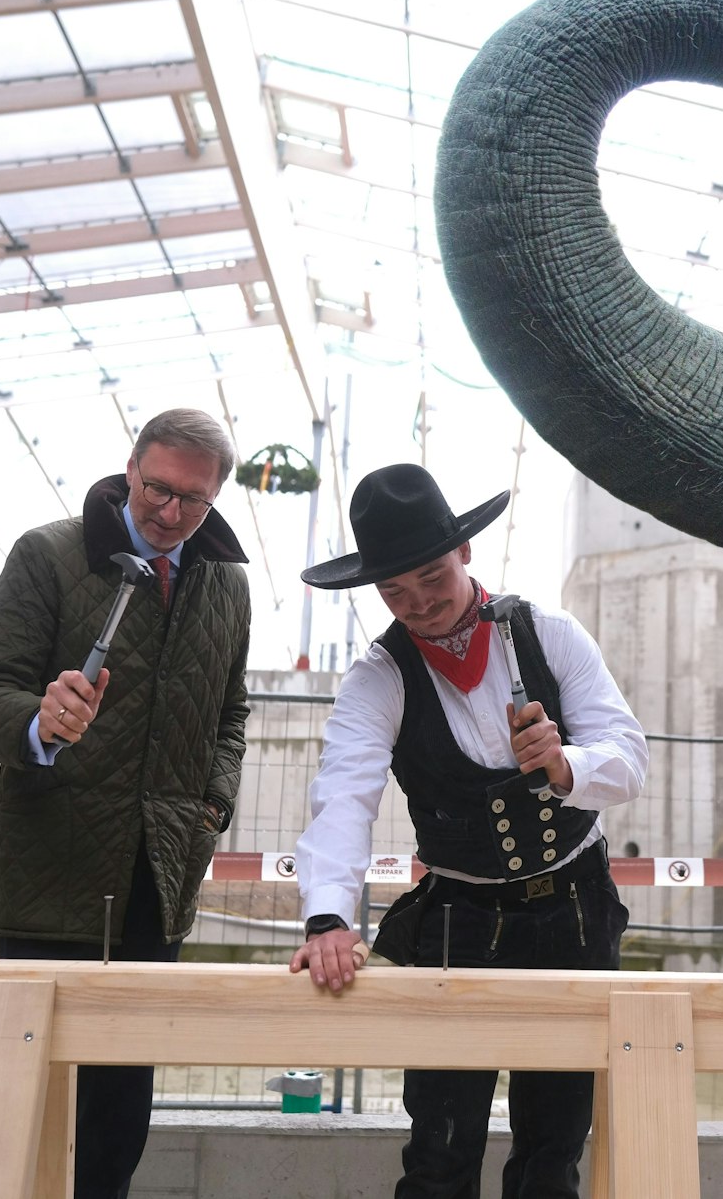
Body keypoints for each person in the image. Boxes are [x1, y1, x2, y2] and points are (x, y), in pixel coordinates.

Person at [290, 463, 647, 1199]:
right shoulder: (377, 677)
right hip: (457, 919)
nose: (419, 604)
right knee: (440, 1148)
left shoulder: (549, 633)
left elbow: (629, 761)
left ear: (466, 556)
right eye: (395, 592)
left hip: (573, 914)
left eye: (432, 579)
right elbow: (343, 799)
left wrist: (563, 762)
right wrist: (327, 914)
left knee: (553, 1148)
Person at [0, 407, 251, 1199]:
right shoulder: (47, 555)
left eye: (195, 499)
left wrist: (209, 810)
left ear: (215, 497)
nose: (170, 512)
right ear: (129, 469)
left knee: (119, 1119)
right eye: (157, 488)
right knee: (24, 1104)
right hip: (51, 876)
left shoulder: (227, 583)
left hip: (158, 886)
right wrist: (37, 721)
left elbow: (231, 714)